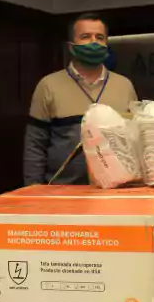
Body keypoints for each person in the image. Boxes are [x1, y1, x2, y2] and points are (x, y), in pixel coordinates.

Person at [24, 13, 137, 186]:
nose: (93, 42)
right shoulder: (48, 85)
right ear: (71, 46)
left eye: (99, 37)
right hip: (62, 191)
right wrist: (32, 190)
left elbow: (135, 141)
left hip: (116, 191)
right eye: (85, 37)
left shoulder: (124, 85)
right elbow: (35, 145)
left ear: (106, 44)